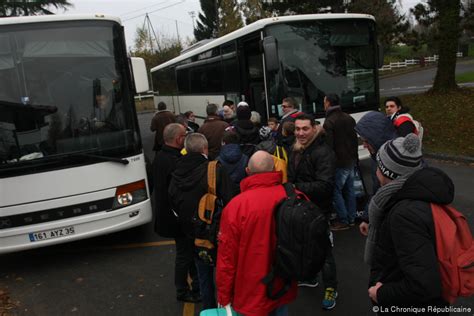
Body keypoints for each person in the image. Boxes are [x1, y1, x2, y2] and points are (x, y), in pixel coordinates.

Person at [366, 134, 450, 314]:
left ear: (388, 172)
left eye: (378, 165)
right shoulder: (411, 197)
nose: (375, 170)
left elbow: (424, 284)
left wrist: (381, 293)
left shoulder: (404, 214)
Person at [217, 151, 297, 316]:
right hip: (284, 282)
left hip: (251, 290)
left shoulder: (236, 207)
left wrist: (224, 296)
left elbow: (227, 259)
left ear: (247, 171)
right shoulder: (293, 196)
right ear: (274, 169)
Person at [168, 133, 236, 311]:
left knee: (203, 275)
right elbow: (230, 201)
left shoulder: (176, 172)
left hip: (193, 235)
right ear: (204, 149)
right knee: (224, 274)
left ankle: (209, 309)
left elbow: (173, 201)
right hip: (217, 233)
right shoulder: (214, 169)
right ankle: (226, 309)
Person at [287, 113, 338, 310]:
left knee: (324, 252)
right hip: (302, 209)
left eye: (305, 129)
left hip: (319, 211)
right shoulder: (297, 149)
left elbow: (326, 186)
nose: (300, 133)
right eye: (297, 129)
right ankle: (309, 277)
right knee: (305, 246)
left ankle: (331, 288)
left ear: (314, 129)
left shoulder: (323, 152)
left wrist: (294, 188)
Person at [152, 123, 200, 303]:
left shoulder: (160, 157)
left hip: (170, 216)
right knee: (185, 254)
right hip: (178, 218)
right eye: (184, 136)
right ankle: (183, 290)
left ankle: (196, 285)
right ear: (179, 139)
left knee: (187, 252)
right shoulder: (175, 161)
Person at [354, 111, 397, 235]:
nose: (364, 145)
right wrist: (367, 218)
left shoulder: (400, 156)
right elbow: (377, 192)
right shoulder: (376, 157)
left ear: (376, 137)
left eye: (366, 141)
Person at [322, 94, 358, 231]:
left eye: (324, 102)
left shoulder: (329, 121)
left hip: (339, 162)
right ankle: (351, 218)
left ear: (328, 103)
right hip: (351, 159)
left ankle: (343, 219)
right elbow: (354, 140)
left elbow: (329, 146)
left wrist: (328, 164)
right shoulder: (349, 118)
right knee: (350, 190)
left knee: (335, 191)